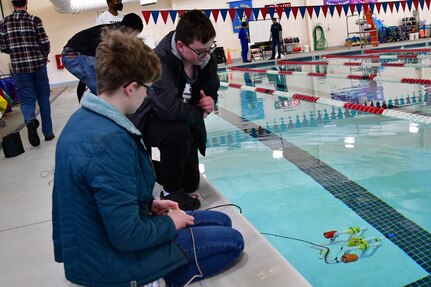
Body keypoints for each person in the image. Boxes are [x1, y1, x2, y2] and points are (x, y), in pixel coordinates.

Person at [52, 26, 244, 287]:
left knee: (221, 220)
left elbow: (105, 197)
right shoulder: (109, 142)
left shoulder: (89, 118)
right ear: (131, 88)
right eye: (148, 89)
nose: (148, 96)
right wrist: (168, 226)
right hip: (109, 262)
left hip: (94, 245)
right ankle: (161, 277)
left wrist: (149, 205)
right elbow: (127, 236)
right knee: (232, 242)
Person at [131, 10, 219, 211]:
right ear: (180, 45)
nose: (206, 55)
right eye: (200, 51)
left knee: (190, 183)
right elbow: (168, 109)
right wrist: (199, 114)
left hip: (184, 122)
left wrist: (210, 102)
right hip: (151, 120)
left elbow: (212, 88)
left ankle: (151, 168)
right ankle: (170, 190)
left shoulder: (205, 58)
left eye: (209, 49)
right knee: (176, 130)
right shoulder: (159, 61)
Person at [0, 0, 54, 146]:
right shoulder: (34, 19)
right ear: (26, 3)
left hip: (19, 69)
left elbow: (3, 46)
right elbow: (45, 43)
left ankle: (30, 120)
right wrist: (44, 56)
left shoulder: (3, 23)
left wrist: (15, 52)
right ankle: (48, 134)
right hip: (38, 66)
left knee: (26, 100)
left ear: (12, 4)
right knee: (43, 100)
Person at [62, 13, 143, 102]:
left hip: (79, 55)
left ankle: (92, 104)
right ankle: (95, 109)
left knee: (104, 86)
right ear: (130, 28)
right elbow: (103, 53)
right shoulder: (113, 33)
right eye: (135, 33)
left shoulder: (115, 31)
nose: (134, 36)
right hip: (74, 56)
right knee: (103, 92)